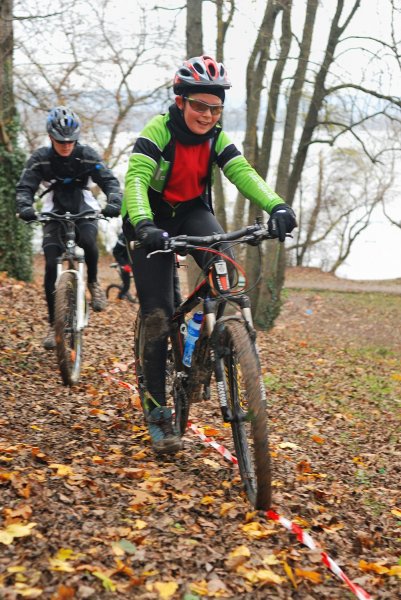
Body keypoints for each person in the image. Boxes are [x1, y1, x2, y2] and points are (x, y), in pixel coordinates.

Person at [122, 55, 296, 454]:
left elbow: (243, 172)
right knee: (157, 318)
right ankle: (158, 414)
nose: (207, 114)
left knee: (224, 265)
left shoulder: (216, 136)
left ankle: (214, 340)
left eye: (215, 108)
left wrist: (277, 206)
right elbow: (135, 180)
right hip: (150, 222)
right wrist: (145, 225)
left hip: (191, 211)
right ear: (180, 100)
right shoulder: (158, 132)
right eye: (199, 105)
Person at [16, 106, 122, 350]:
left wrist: (114, 201)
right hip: (53, 209)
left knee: (88, 240)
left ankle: (94, 283)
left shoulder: (87, 154)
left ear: (77, 139)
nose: (66, 146)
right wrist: (25, 206)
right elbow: (25, 187)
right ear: (51, 138)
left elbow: (108, 180)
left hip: (82, 205)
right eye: (60, 141)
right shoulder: (40, 157)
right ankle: (54, 325)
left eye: (70, 141)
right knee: (51, 263)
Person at [112, 231, 135, 301]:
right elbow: (115, 252)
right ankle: (119, 298)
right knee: (126, 286)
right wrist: (124, 264)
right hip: (125, 264)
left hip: (133, 262)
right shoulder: (124, 237)